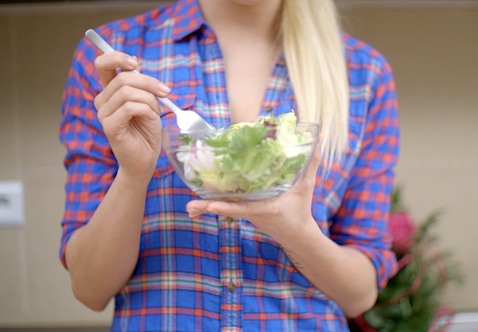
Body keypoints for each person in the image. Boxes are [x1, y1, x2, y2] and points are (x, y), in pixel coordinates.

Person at [58, 0, 399, 330]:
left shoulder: (363, 73)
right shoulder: (112, 56)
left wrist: (296, 232)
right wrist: (133, 174)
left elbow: (360, 295)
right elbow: (90, 289)